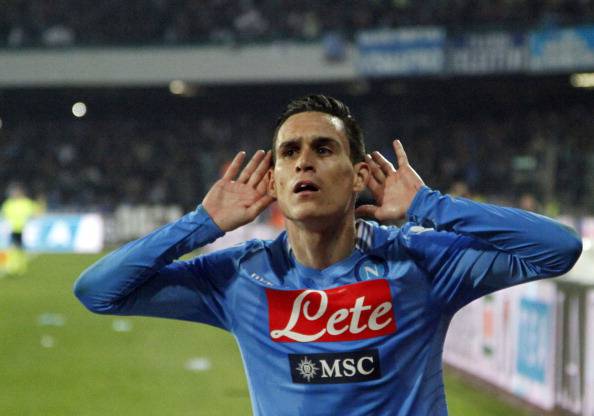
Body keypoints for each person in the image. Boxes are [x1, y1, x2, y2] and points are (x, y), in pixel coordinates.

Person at [74, 95, 582, 415]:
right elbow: (98, 292)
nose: (304, 163)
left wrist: (429, 205)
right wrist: (201, 224)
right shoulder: (239, 278)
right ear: (274, 180)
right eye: (289, 153)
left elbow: (558, 249)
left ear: (359, 176)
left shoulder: (420, 262)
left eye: (323, 149)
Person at [1, 183, 42, 276]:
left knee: (20, 248)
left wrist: (31, 219)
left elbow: (35, 212)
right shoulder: (9, 203)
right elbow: (3, 213)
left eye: (15, 192)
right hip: (12, 229)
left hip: (23, 229)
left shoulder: (26, 203)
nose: (14, 194)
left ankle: (21, 267)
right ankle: (12, 266)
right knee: (12, 248)